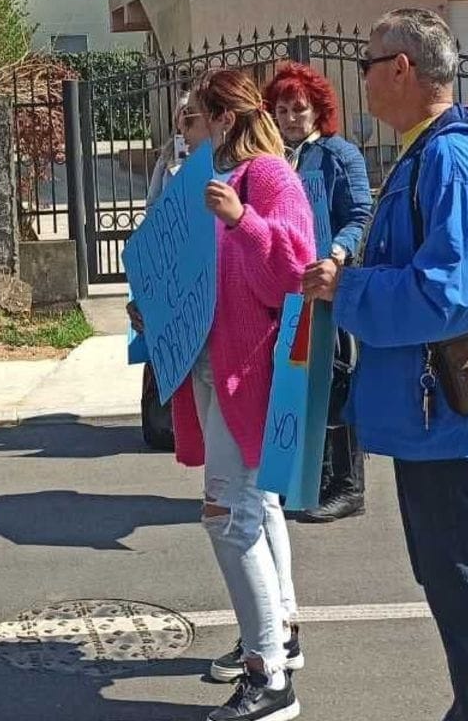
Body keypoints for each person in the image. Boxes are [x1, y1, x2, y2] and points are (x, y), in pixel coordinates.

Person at [303, 9, 468, 720]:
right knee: (456, 595)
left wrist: (351, 289)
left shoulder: (451, 159)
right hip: (433, 416)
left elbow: (458, 291)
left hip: (452, 421)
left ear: (402, 68)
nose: (363, 78)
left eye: (368, 64)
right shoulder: (427, 152)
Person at [149, 68, 314, 721]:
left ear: (223, 119)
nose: (185, 131)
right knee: (252, 507)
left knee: (228, 517)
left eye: (194, 117)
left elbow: (293, 273)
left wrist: (243, 220)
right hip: (214, 369)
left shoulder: (266, 177)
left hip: (249, 375)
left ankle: (267, 673)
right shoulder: (211, 182)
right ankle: (276, 638)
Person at [266, 62, 372, 523]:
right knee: (295, 388)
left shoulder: (338, 155)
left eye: (300, 109)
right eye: (283, 110)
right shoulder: (270, 159)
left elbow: (360, 213)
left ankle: (347, 487)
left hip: (328, 287)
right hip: (285, 294)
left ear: (317, 111)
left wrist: (337, 253)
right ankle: (307, 480)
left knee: (335, 383)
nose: (291, 118)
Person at [138, 91, 199, 453]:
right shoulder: (167, 156)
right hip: (169, 260)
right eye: (182, 113)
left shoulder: (214, 155)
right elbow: (152, 204)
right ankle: (166, 419)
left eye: (192, 113)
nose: (186, 119)